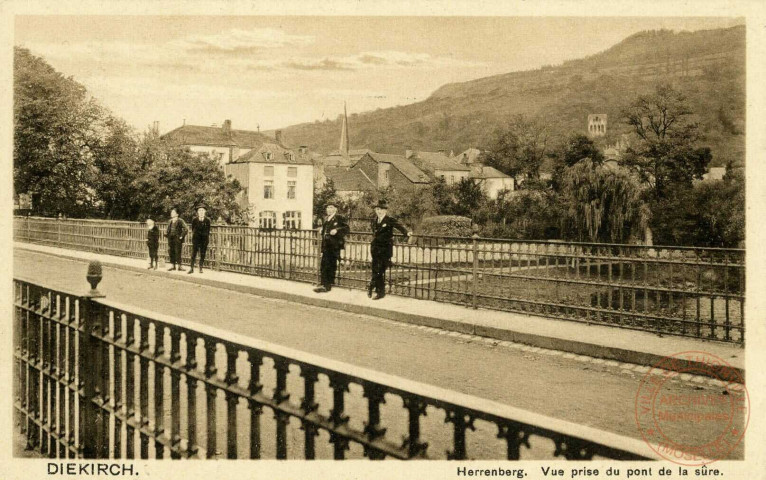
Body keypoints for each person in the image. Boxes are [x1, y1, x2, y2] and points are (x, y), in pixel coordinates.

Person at [369, 200, 411, 300]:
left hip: (385, 250)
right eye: (377, 209)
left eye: (381, 210)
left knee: (380, 270)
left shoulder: (389, 220)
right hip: (375, 249)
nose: (379, 211)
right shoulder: (375, 220)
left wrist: (406, 233)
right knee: (376, 269)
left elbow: (399, 226)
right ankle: (377, 289)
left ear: (385, 211)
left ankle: (376, 289)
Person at [314, 199, 349, 293]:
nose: (329, 209)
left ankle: (327, 285)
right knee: (324, 265)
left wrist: (337, 230)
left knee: (330, 265)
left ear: (335, 209)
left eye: (331, 207)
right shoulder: (327, 219)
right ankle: (323, 284)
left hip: (334, 246)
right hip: (326, 246)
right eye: (327, 208)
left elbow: (346, 228)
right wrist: (322, 230)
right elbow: (325, 232)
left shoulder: (339, 218)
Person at [189, 203, 211, 274]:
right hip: (196, 239)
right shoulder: (194, 220)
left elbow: (208, 230)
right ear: (198, 212)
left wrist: (204, 237)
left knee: (202, 254)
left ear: (205, 212)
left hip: (204, 240)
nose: (201, 212)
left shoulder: (207, 220)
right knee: (193, 254)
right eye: (199, 210)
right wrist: (196, 236)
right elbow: (193, 229)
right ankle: (191, 268)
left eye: (202, 210)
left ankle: (200, 268)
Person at [165, 207, 188, 271]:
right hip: (170, 238)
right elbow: (168, 229)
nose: (171, 213)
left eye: (173, 212)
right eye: (171, 212)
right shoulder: (170, 221)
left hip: (177, 239)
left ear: (177, 214)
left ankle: (179, 266)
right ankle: (173, 266)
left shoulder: (180, 220)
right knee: (171, 252)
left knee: (177, 252)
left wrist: (181, 236)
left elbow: (186, 229)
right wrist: (167, 233)